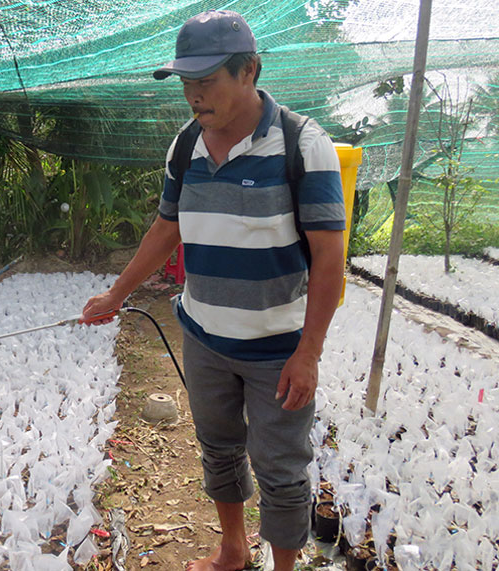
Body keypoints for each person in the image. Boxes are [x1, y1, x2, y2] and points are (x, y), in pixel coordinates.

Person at [81, 9, 346, 571]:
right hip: (203, 337)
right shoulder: (186, 147)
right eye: (186, 84)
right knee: (219, 449)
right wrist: (117, 294)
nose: (194, 96)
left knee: (280, 466)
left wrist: (309, 353)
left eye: (207, 82)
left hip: (278, 347)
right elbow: (166, 228)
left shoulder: (303, 145)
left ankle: (282, 566)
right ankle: (232, 548)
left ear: (248, 70)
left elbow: (328, 260)